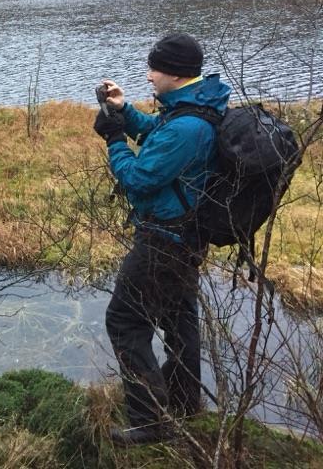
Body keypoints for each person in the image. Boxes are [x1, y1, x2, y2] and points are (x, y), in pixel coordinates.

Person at [92, 33, 231, 446]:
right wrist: (124, 111)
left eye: (153, 68)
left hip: (163, 241)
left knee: (125, 320)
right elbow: (158, 131)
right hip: (187, 238)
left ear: (172, 72)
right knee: (178, 320)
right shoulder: (198, 107)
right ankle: (186, 403)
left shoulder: (187, 126)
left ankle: (149, 422)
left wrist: (114, 139)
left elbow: (138, 178)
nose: (148, 75)